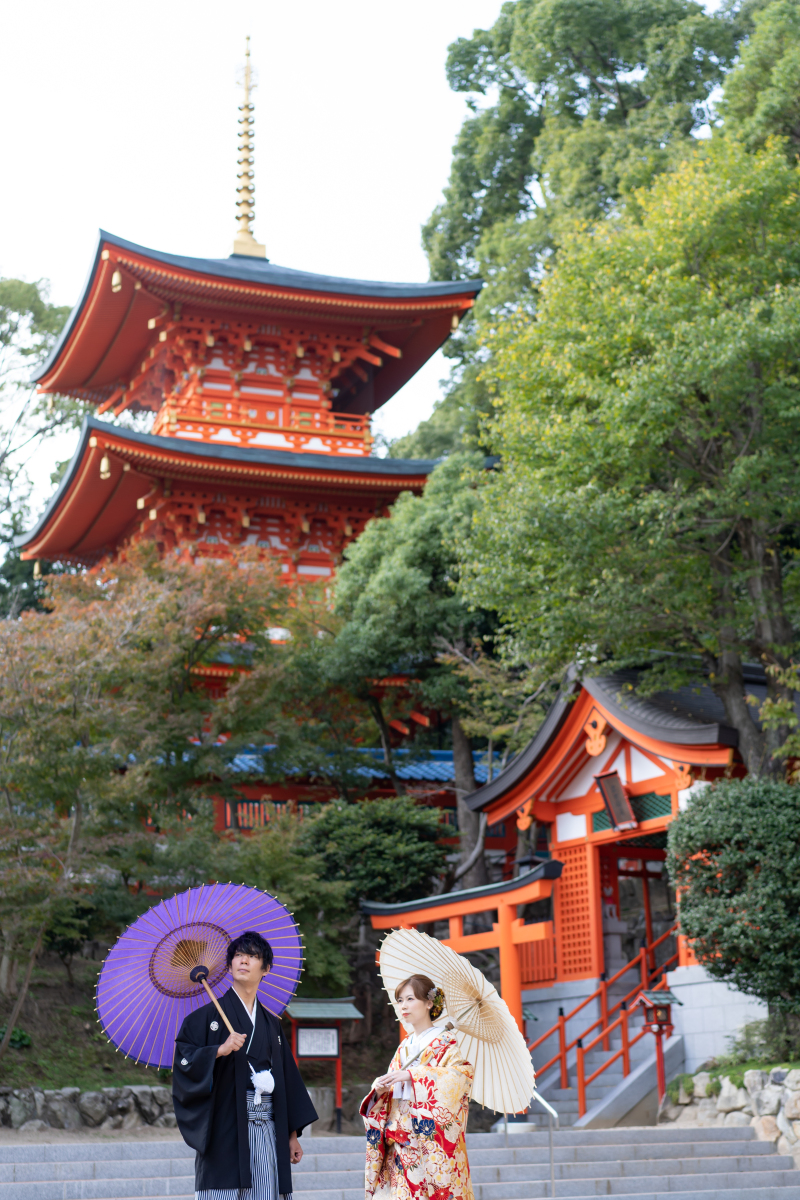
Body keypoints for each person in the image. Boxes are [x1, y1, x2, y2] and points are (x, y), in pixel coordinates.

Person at [172, 930, 318, 1200]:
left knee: (266, 1191)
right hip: (225, 1126)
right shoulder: (203, 1019)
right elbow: (184, 1061)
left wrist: (291, 1134)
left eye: (252, 956)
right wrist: (219, 1050)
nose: (243, 961)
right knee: (223, 1191)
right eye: (238, 955)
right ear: (229, 965)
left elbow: (287, 1079)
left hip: (268, 1128)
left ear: (266, 969)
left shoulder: (271, 1023)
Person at [360, 974, 475, 1200]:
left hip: (426, 1145)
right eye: (400, 1000)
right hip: (398, 1141)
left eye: (410, 999)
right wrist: (381, 1089)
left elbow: (461, 1077)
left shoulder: (446, 1043)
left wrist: (414, 1074)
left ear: (429, 1003)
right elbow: (392, 1089)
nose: (403, 1006)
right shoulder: (405, 1046)